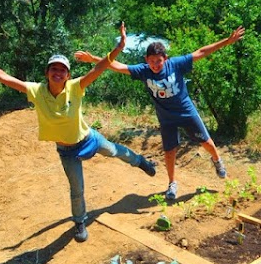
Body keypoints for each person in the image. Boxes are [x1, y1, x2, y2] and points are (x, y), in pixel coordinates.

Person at [0, 22, 156, 243]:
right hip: (66, 150)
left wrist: (119, 47)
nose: (58, 72)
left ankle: (140, 161)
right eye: (54, 68)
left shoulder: (76, 86)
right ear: (47, 73)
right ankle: (80, 221)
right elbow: (4, 78)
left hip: (88, 138)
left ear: (68, 74)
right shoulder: (36, 91)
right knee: (77, 188)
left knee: (115, 151)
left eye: (62, 70)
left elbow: (98, 68)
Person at [75, 26, 245, 200]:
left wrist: (227, 41)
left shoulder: (176, 65)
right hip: (166, 119)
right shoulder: (144, 70)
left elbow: (201, 52)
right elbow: (118, 67)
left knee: (207, 142)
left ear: (166, 59)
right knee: (169, 151)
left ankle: (217, 160)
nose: (155, 65)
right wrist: (93, 59)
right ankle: (172, 183)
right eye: (152, 61)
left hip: (186, 112)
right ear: (146, 60)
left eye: (159, 61)